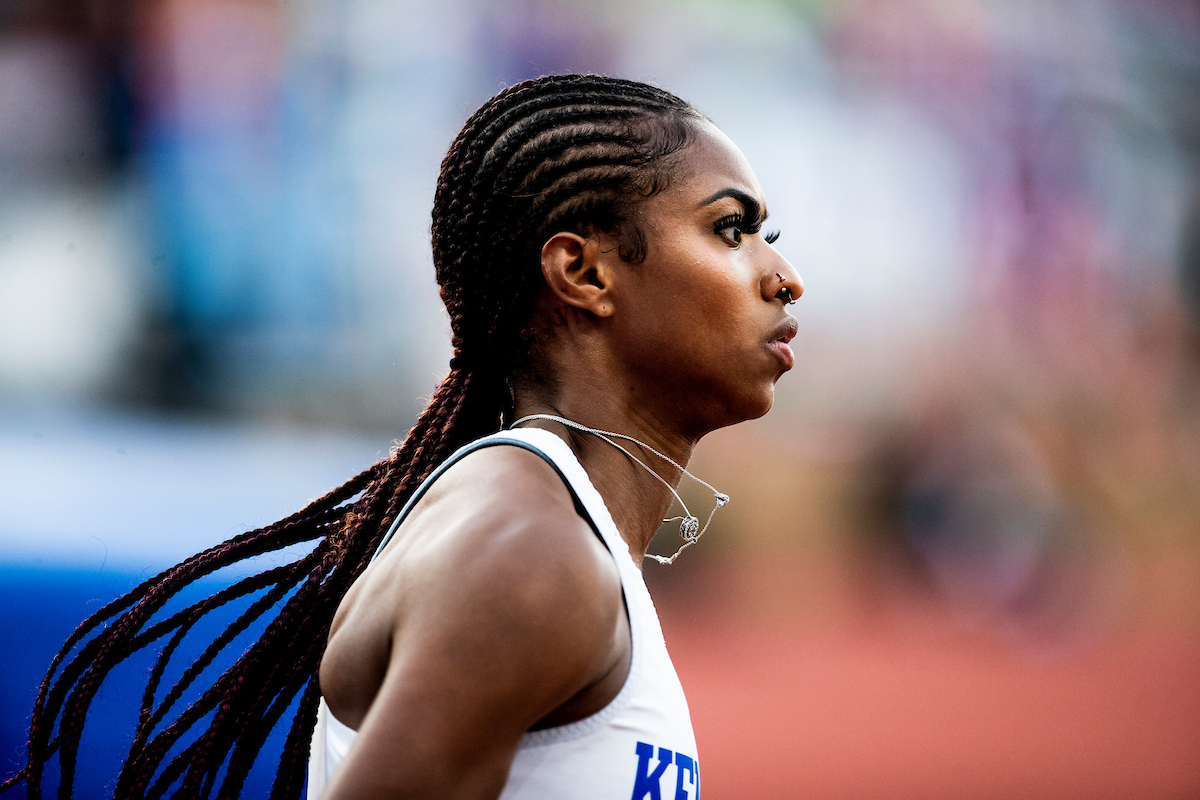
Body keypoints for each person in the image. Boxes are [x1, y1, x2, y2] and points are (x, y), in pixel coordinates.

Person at [3, 74, 801, 800]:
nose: (783, 275)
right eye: (733, 228)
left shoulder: (542, 528)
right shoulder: (530, 557)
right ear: (584, 273)